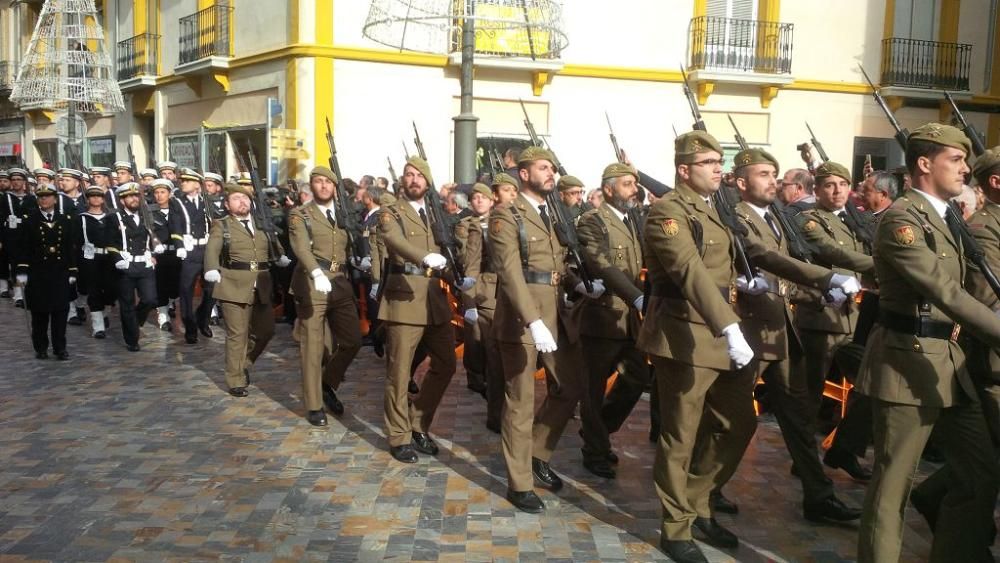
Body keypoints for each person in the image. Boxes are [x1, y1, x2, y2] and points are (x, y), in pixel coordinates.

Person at [855, 123, 1000, 563]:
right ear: (924, 164)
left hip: (950, 363)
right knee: (892, 486)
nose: (964, 169)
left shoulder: (947, 216)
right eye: (955, 160)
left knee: (979, 473)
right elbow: (946, 292)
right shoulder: (903, 218)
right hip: (907, 362)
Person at [725, 150, 862, 533]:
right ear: (741, 182)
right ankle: (705, 488)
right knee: (733, 419)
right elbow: (763, 259)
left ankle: (818, 495)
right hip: (750, 332)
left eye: (775, 175)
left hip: (782, 331)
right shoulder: (738, 217)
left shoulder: (774, 219)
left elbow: (780, 280)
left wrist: (818, 296)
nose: (775, 181)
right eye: (764, 174)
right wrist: (826, 279)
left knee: (799, 418)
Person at [636, 131, 754, 562]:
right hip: (684, 332)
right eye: (708, 162)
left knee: (737, 422)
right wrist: (729, 326)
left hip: (723, 331)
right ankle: (676, 527)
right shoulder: (667, 211)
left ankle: (699, 499)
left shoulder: (714, 209)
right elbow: (689, 270)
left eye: (719, 161)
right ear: (684, 170)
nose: (718, 168)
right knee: (680, 435)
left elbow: (736, 258)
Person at [489, 147, 603, 513]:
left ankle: (536, 453)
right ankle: (519, 482)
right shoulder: (506, 215)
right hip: (523, 318)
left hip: (556, 312)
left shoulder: (551, 214)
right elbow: (510, 272)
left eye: (552, 167)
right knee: (520, 401)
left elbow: (554, 265)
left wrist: (577, 283)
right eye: (543, 167)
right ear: (523, 174)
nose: (550, 173)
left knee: (569, 387)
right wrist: (532, 320)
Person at [795, 161, 879, 482]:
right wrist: (881, 263)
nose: (837, 191)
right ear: (816, 190)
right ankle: (802, 459)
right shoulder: (809, 220)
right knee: (811, 392)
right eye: (829, 185)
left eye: (843, 185)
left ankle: (844, 449)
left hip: (850, 319)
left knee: (869, 385)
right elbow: (834, 253)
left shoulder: (851, 221)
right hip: (820, 316)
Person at [377, 157, 465, 463]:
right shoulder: (392, 212)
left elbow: (449, 252)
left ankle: (417, 422)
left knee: (446, 364)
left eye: (419, 176)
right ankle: (399, 435)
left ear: (427, 182)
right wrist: (425, 256)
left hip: (434, 299)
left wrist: (462, 279)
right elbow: (393, 240)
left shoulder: (435, 214)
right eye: (408, 175)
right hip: (404, 298)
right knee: (399, 372)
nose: (413, 180)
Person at [575, 163, 646, 480]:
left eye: (635, 184)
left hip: (629, 320)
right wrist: (636, 296)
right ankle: (595, 450)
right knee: (591, 388)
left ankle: (598, 431)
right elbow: (600, 262)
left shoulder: (630, 220)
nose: (634, 189)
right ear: (608, 189)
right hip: (602, 317)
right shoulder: (593, 221)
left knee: (637, 378)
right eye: (628, 184)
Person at [288, 166, 362, 426]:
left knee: (353, 339)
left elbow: (350, 241)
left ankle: (328, 382)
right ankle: (314, 404)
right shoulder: (301, 215)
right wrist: (315, 272)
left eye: (327, 182)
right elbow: (300, 246)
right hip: (313, 282)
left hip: (340, 282)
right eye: (318, 182)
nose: (323, 186)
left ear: (334, 187)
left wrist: (360, 258)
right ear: (312, 186)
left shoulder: (343, 214)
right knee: (313, 344)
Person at [204, 182, 290, 397]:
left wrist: (280, 256)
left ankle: (243, 363)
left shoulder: (261, 223)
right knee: (237, 334)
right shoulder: (222, 225)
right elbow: (212, 248)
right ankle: (235, 380)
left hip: (261, 284)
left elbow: (273, 243)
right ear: (226, 204)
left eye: (245, 199)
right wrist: (212, 269)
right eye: (236, 199)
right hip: (233, 283)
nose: (242, 202)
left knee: (266, 331)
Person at [15, 182, 77, 360]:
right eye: (41, 197)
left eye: (48, 196)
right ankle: (41, 347)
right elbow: (23, 247)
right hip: (38, 273)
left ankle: (60, 348)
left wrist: (72, 271)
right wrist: (22, 271)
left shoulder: (65, 220)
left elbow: (69, 248)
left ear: (55, 199)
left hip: (59, 272)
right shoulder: (30, 220)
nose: (44, 199)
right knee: (39, 314)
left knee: (60, 312)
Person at [106, 183, 159, 352]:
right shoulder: (114, 218)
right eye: (129, 196)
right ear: (122, 200)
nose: (134, 199)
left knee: (150, 299)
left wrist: (155, 252)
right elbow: (110, 242)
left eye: (136, 196)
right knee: (127, 303)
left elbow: (154, 236)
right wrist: (116, 258)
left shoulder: (146, 216)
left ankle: (135, 321)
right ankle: (132, 339)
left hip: (144, 264)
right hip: (125, 264)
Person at [454, 183, 495, 398]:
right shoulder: (465, 224)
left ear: (491, 201)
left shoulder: (499, 222)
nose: (479, 201)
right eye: (476, 197)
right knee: (475, 334)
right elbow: (464, 256)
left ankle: (490, 376)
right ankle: (475, 377)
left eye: (483, 197)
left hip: (494, 282)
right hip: (473, 280)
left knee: (490, 335)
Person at [169, 169, 215, 344]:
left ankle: (202, 319)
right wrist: (179, 245)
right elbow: (176, 225)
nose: (183, 183)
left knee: (212, 289)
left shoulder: (207, 202)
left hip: (207, 250)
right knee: (186, 290)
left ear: (197, 184)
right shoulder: (177, 202)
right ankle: (190, 327)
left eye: (187, 181)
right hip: (188, 251)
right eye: (183, 181)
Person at [75, 185, 117, 339]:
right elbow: (76, 241)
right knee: (94, 291)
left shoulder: (111, 218)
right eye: (92, 196)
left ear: (103, 199)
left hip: (109, 258)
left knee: (111, 291)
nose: (96, 199)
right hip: (90, 259)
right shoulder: (81, 218)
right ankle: (98, 326)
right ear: (88, 199)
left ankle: (105, 312)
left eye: (99, 196)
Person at [2, 168, 37, 306]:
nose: (16, 182)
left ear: (24, 182)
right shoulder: (5, 198)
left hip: (27, 234)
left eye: (19, 180)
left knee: (24, 264)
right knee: (15, 264)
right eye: (13, 180)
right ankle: (18, 294)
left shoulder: (31, 198)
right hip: (11, 235)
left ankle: (24, 290)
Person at [149, 179, 180, 332]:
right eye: (156, 192)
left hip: (176, 253)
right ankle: (163, 317)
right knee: (160, 285)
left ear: (169, 194)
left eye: (163, 192)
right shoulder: (149, 212)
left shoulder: (178, 211)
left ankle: (169, 303)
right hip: (159, 254)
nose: (159, 195)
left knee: (175, 288)